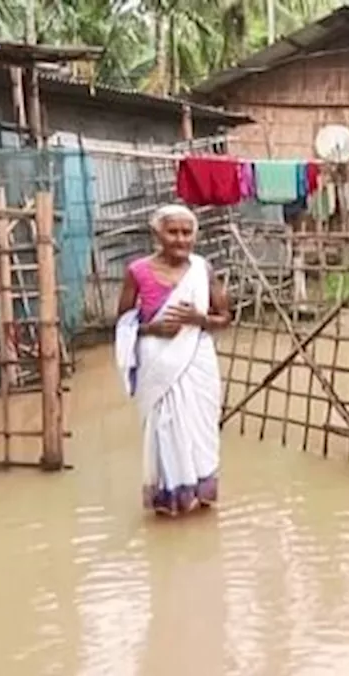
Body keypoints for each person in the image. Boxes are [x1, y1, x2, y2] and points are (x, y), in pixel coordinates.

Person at [115, 205, 231, 516]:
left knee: (198, 428)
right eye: (172, 232)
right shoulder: (137, 271)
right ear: (157, 234)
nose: (180, 239)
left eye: (187, 232)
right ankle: (171, 500)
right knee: (165, 430)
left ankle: (200, 495)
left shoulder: (202, 270)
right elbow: (122, 325)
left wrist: (198, 318)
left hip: (196, 361)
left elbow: (225, 318)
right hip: (158, 364)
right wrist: (153, 328)